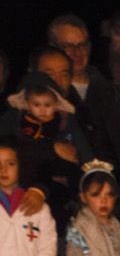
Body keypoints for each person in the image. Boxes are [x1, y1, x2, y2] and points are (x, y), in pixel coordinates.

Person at [47, 14, 120, 177]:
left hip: (113, 190)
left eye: (82, 45)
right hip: (68, 193)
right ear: (53, 48)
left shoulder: (111, 91)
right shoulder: (43, 96)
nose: (77, 53)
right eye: (68, 46)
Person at [0, 74, 88, 221]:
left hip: (54, 182)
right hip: (24, 181)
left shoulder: (64, 124)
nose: (42, 110)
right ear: (27, 104)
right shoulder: (16, 122)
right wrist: (51, 148)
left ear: (56, 105)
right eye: (36, 105)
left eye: (47, 105)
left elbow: (80, 158)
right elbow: (20, 150)